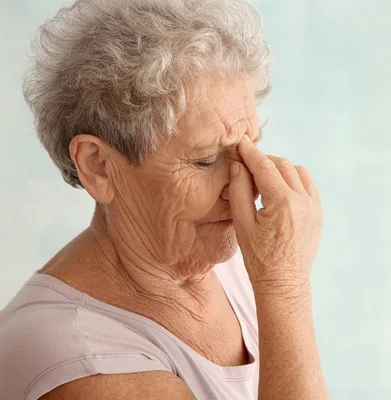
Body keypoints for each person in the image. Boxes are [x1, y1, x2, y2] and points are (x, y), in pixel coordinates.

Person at [0, 0, 328, 399]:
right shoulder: (78, 360)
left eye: (248, 148)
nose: (247, 183)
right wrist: (284, 287)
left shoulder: (226, 265)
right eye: (206, 160)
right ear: (99, 166)